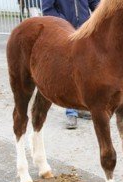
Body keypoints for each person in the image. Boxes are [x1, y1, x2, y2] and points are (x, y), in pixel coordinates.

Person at [42, 0, 99, 129]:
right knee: (70, 73)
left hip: (85, 30)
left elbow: (94, 3)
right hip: (65, 33)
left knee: (85, 72)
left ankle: (81, 106)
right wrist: (65, 23)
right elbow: (47, 9)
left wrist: (102, 12)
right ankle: (71, 111)